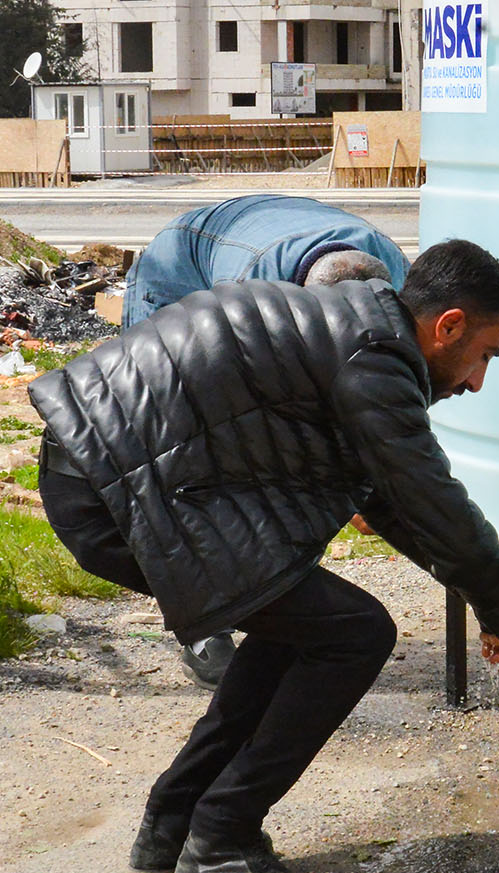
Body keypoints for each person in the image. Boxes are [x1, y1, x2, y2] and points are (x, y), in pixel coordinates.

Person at [30, 237, 499, 873]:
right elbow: (430, 497)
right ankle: (219, 846)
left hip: (103, 470)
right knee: (354, 634)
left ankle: (175, 824)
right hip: (120, 484)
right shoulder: (375, 354)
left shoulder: (355, 331)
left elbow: (393, 502)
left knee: (297, 621)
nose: (478, 380)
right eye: (486, 354)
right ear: (448, 324)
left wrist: (487, 596)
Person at [120, 193, 413, 686]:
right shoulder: (250, 293)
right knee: (187, 460)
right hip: (180, 269)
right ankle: (204, 622)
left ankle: (274, 606)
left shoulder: (397, 279)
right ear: (301, 305)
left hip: (275, 232)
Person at [123, 193, 411, 326]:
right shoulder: (249, 286)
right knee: (159, 385)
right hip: (178, 261)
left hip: (272, 221)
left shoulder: (392, 263)